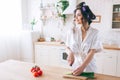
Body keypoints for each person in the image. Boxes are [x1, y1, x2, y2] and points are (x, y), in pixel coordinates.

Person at [65, 2, 102, 76]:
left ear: (86, 16)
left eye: (78, 15)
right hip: (75, 67)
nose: (76, 18)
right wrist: (70, 53)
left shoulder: (95, 33)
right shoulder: (72, 31)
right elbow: (67, 47)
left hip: (89, 68)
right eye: (75, 16)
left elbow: (92, 52)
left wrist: (82, 67)